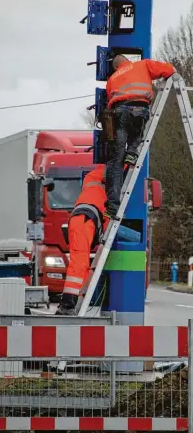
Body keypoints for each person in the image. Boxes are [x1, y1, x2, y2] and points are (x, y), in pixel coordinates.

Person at [105, 55, 176, 218]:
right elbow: (169, 70)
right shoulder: (143, 65)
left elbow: (110, 98)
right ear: (127, 61)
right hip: (140, 108)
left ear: (116, 67)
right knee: (137, 131)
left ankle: (113, 206)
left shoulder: (112, 78)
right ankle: (132, 152)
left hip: (119, 112)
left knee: (115, 161)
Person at [56, 165, 109, 315]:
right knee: (79, 263)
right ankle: (67, 305)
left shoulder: (93, 176)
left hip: (84, 219)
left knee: (82, 264)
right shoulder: (106, 173)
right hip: (85, 220)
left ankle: (74, 304)